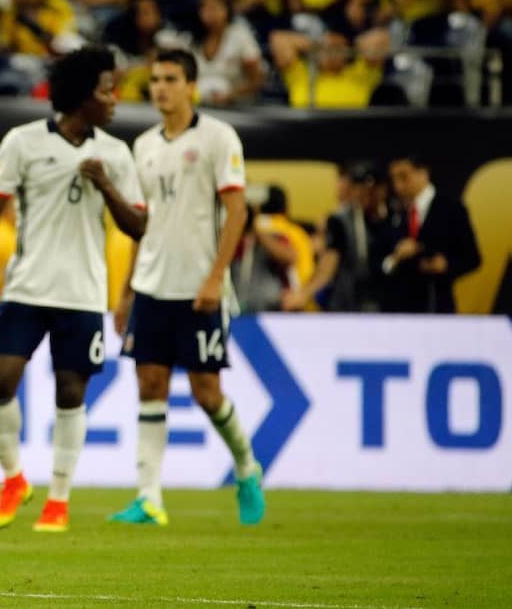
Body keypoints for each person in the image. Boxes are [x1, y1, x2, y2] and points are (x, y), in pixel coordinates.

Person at [0, 45, 146, 533]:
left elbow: (138, 227)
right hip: (25, 288)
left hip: (83, 295)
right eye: (107, 89)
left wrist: (107, 186)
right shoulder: (23, 142)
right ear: (81, 94)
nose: (114, 99)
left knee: (72, 391)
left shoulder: (114, 153)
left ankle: (59, 499)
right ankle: (13, 480)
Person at [109, 48, 264, 527]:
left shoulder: (219, 138)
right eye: (155, 78)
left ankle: (246, 467)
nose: (160, 87)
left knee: (207, 392)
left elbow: (236, 211)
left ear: (191, 85)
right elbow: (142, 221)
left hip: (200, 287)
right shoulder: (144, 146)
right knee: (149, 385)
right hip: (153, 285)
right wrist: (128, 289)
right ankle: (150, 497)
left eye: (170, 78)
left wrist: (217, 277)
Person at [281, 162, 389, 312]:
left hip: (386, 303)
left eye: (369, 189)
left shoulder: (395, 217)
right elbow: (329, 263)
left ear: (381, 190)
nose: (363, 194)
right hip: (349, 304)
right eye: (357, 188)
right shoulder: (341, 220)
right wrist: (304, 294)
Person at [379, 155, 481, 313]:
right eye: (394, 179)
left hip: (437, 305)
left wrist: (445, 265)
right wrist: (395, 258)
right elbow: (380, 261)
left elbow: (472, 258)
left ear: (423, 173)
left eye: (404, 177)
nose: (398, 186)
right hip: (400, 310)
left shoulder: (451, 209)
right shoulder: (392, 213)